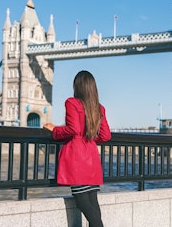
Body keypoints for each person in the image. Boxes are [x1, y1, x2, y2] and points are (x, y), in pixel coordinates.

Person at [43, 70, 111, 227]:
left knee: (81, 201)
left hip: (77, 157)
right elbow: (105, 136)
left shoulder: (72, 102)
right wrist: (90, 136)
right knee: (92, 201)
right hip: (91, 156)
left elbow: (73, 129)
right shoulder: (99, 108)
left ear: (77, 86)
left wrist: (54, 130)